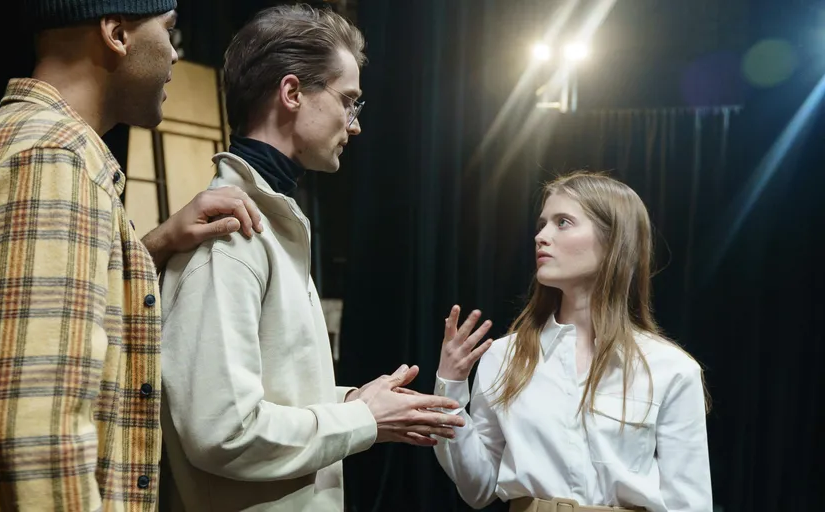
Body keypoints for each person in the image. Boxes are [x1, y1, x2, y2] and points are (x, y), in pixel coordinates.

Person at [0, 1, 262, 510]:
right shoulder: (48, 166)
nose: (173, 54)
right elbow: (37, 444)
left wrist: (150, 247)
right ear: (117, 32)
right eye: (168, 32)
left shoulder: (18, 148)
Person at [156, 4, 465, 511]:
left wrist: (354, 402)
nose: (355, 125)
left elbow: (265, 397)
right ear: (293, 93)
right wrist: (365, 419)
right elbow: (222, 433)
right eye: (349, 101)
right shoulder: (232, 235)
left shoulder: (269, 224)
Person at [433, 172, 712, 512]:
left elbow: (689, 502)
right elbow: (477, 488)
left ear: (613, 241)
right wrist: (450, 386)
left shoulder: (671, 369)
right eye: (542, 224)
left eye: (562, 222)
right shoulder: (504, 357)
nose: (541, 236)